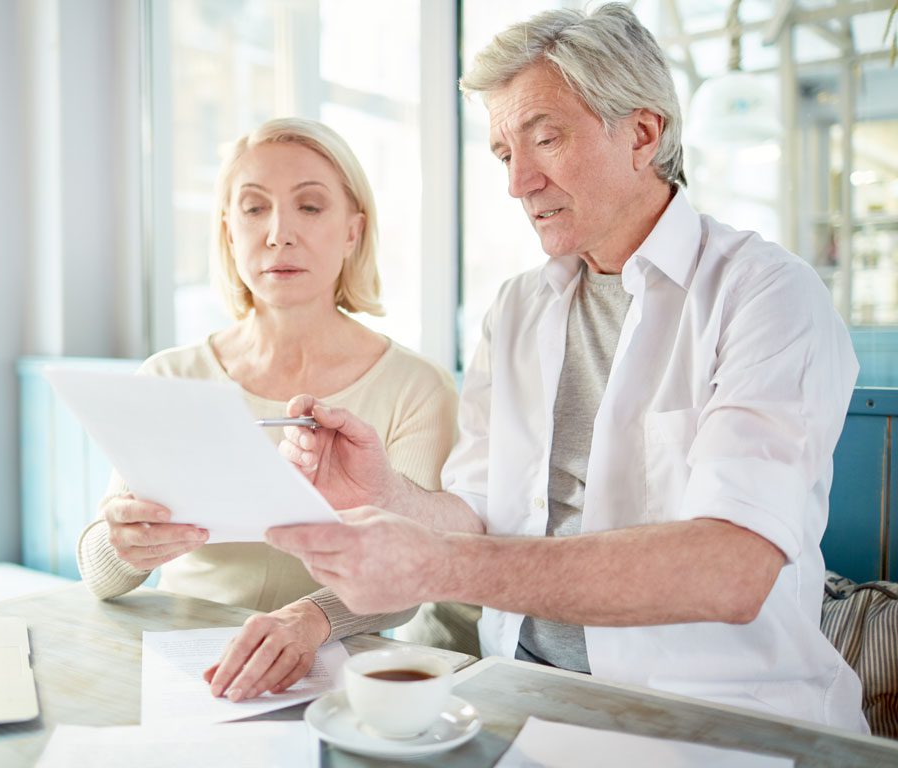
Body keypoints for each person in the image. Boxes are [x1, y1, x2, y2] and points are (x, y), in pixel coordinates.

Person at [265, 4, 869, 732]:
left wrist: (438, 565)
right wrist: (388, 492)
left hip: (719, 719)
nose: (519, 183)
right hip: (520, 696)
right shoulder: (517, 308)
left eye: (545, 139)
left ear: (644, 134)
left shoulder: (767, 294)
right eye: (502, 155)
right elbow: (480, 511)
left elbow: (730, 568)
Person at [75, 117, 474, 702]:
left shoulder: (419, 388)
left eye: (310, 207)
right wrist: (124, 544)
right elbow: (98, 573)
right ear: (229, 232)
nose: (278, 233)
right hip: (185, 672)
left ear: (352, 233)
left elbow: (409, 576)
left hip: (339, 678)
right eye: (254, 209)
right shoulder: (168, 377)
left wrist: (311, 621)